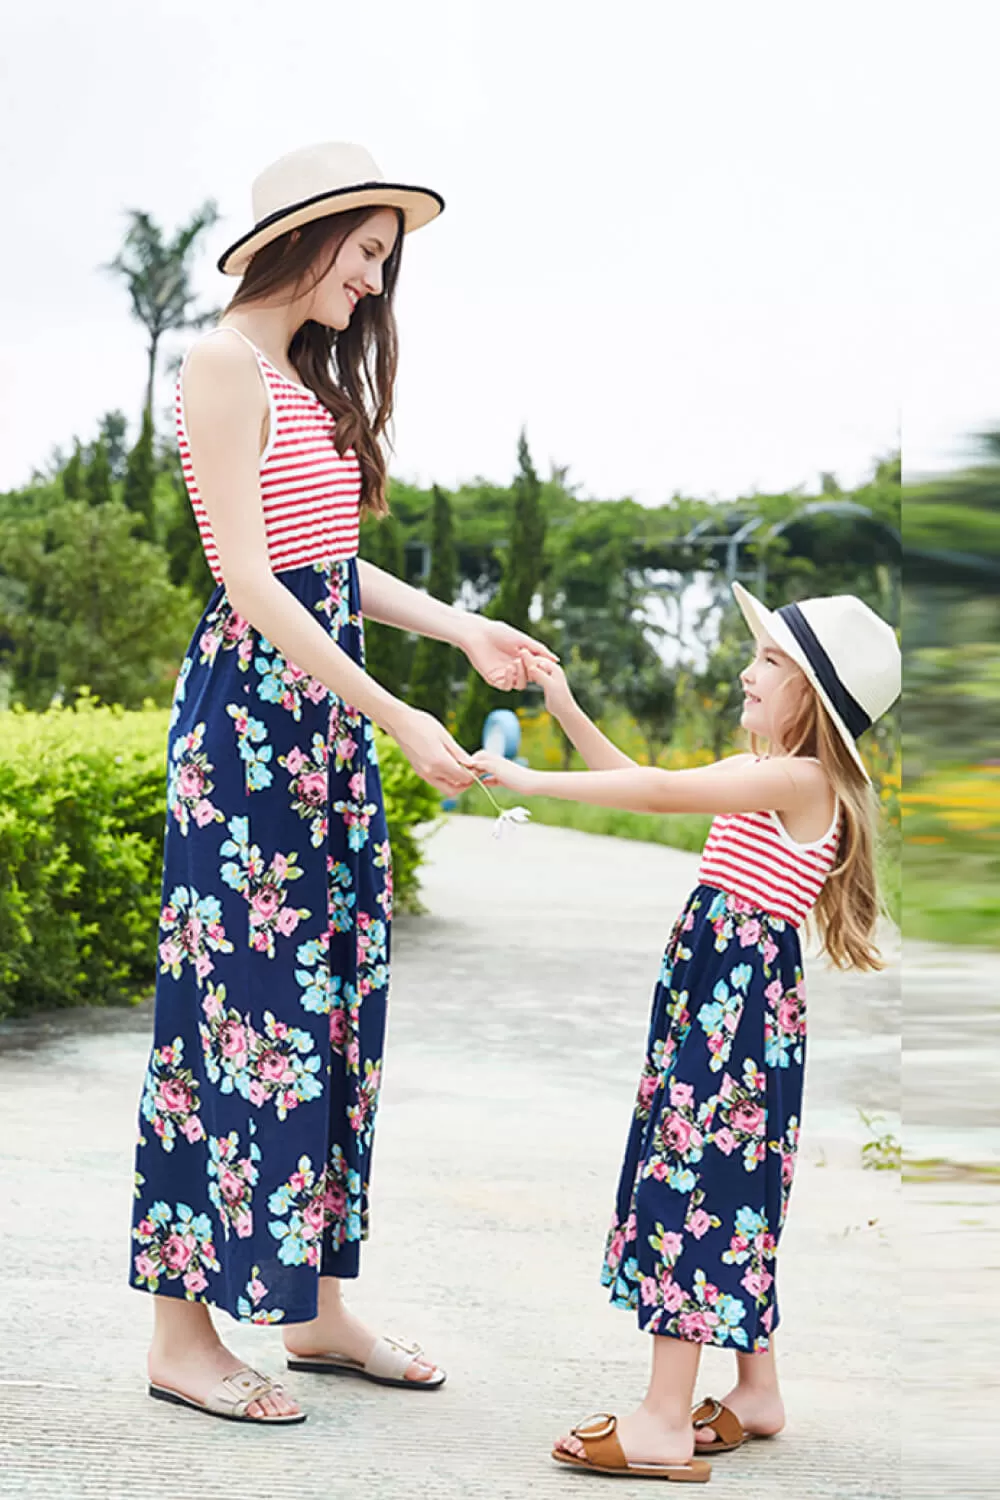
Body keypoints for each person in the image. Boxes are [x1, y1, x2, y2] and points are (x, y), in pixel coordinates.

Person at [130, 142, 555, 1426]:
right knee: (230, 1024)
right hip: (256, 727)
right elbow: (252, 583)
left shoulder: (300, 384)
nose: (374, 284)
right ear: (302, 239)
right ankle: (181, 1335)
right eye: (366, 252)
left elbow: (331, 569)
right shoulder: (218, 362)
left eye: (382, 260)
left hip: (314, 725)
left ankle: (309, 1310)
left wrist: (458, 630)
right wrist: (396, 711)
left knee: (324, 1014)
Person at [472, 583, 900, 1482]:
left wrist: (527, 778)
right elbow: (643, 780)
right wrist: (569, 713)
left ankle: (664, 1419)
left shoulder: (798, 776)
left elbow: (659, 788)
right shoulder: (782, 775)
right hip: (725, 1001)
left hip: (732, 1011)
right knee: (730, 1186)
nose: (748, 672)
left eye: (771, 661)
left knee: (696, 1186)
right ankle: (757, 1391)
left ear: (812, 696)